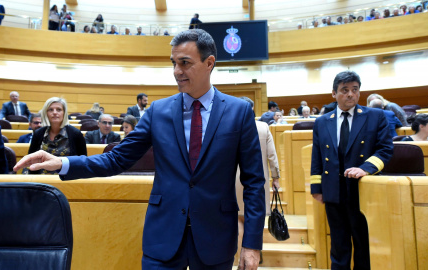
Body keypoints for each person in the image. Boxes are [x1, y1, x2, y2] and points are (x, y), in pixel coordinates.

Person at [14, 29, 266, 270]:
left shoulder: (238, 112)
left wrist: (252, 244)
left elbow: (254, 182)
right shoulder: (158, 111)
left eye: (185, 63)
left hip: (215, 237)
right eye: (173, 63)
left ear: (209, 63)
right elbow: (117, 159)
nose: (177, 71)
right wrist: (63, 163)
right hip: (163, 237)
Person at [310, 71, 393, 270]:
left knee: (363, 244)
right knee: (339, 244)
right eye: (345, 90)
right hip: (333, 191)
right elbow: (318, 155)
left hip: (362, 190)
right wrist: (316, 187)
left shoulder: (375, 116)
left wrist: (365, 168)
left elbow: (385, 149)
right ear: (334, 93)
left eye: (355, 90)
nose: (350, 95)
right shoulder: (323, 121)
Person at [236, 96, 280, 264]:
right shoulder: (263, 127)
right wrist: (276, 177)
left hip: (236, 178)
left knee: (239, 217)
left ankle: (242, 255)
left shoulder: (233, 127)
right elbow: (272, 156)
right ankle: (254, 250)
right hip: (259, 179)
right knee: (255, 215)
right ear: (252, 109)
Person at [27, 97, 87, 174]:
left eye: (59, 109)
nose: (55, 112)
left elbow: (82, 162)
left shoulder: (75, 134)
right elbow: (31, 159)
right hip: (41, 180)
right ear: (46, 113)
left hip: (67, 180)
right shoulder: (38, 134)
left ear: (64, 113)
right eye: (51, 110)